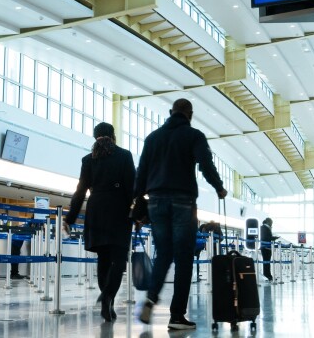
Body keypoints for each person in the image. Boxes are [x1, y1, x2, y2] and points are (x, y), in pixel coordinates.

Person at [133, 98, 227, 330]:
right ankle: (176, 316)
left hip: (156, 201)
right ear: (190, 115)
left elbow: (141, 172)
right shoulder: (194, 135)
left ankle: (151, 298)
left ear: (170, 112)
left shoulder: (153, 138)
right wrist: (219, 187)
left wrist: (139, 205)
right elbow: (205, 164)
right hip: (183, 201)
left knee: (163, 254)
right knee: (184, 257)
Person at [63, 122, 136, 323]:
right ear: (113, 136)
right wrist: (137, 213)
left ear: (95, 137)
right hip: (119, 211)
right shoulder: (124, 156)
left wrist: (70, 218)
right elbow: (132, 188)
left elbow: (80, 191)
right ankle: (107, 296)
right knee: (119, 260)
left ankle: (107, 300)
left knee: (103, 259)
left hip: (96, 210)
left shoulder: (89, 159)